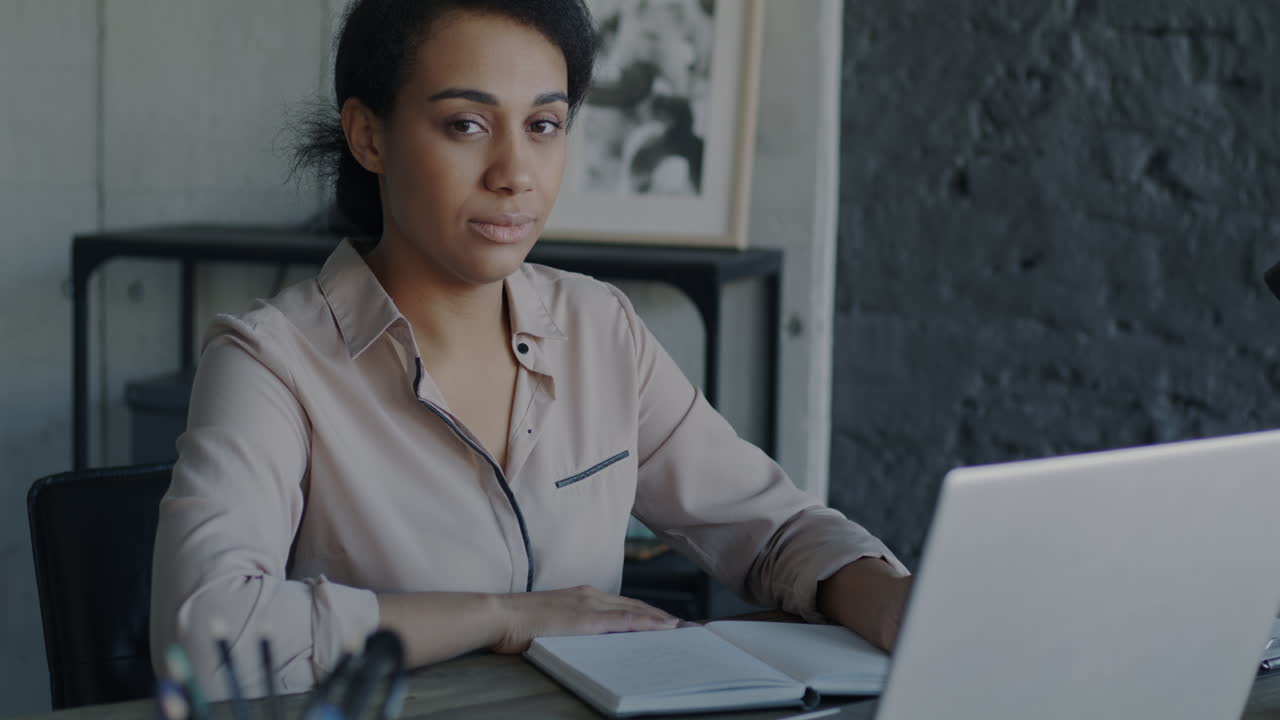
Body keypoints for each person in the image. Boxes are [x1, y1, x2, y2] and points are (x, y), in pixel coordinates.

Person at [149, 0, 912, 699]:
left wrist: (885, 598)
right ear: (369, 134)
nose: (515, 174)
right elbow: (208, 635)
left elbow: (770, 528)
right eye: (466, 126)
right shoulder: (270, 363)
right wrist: (502, 617)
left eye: (543, 126)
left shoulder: (599, 329)